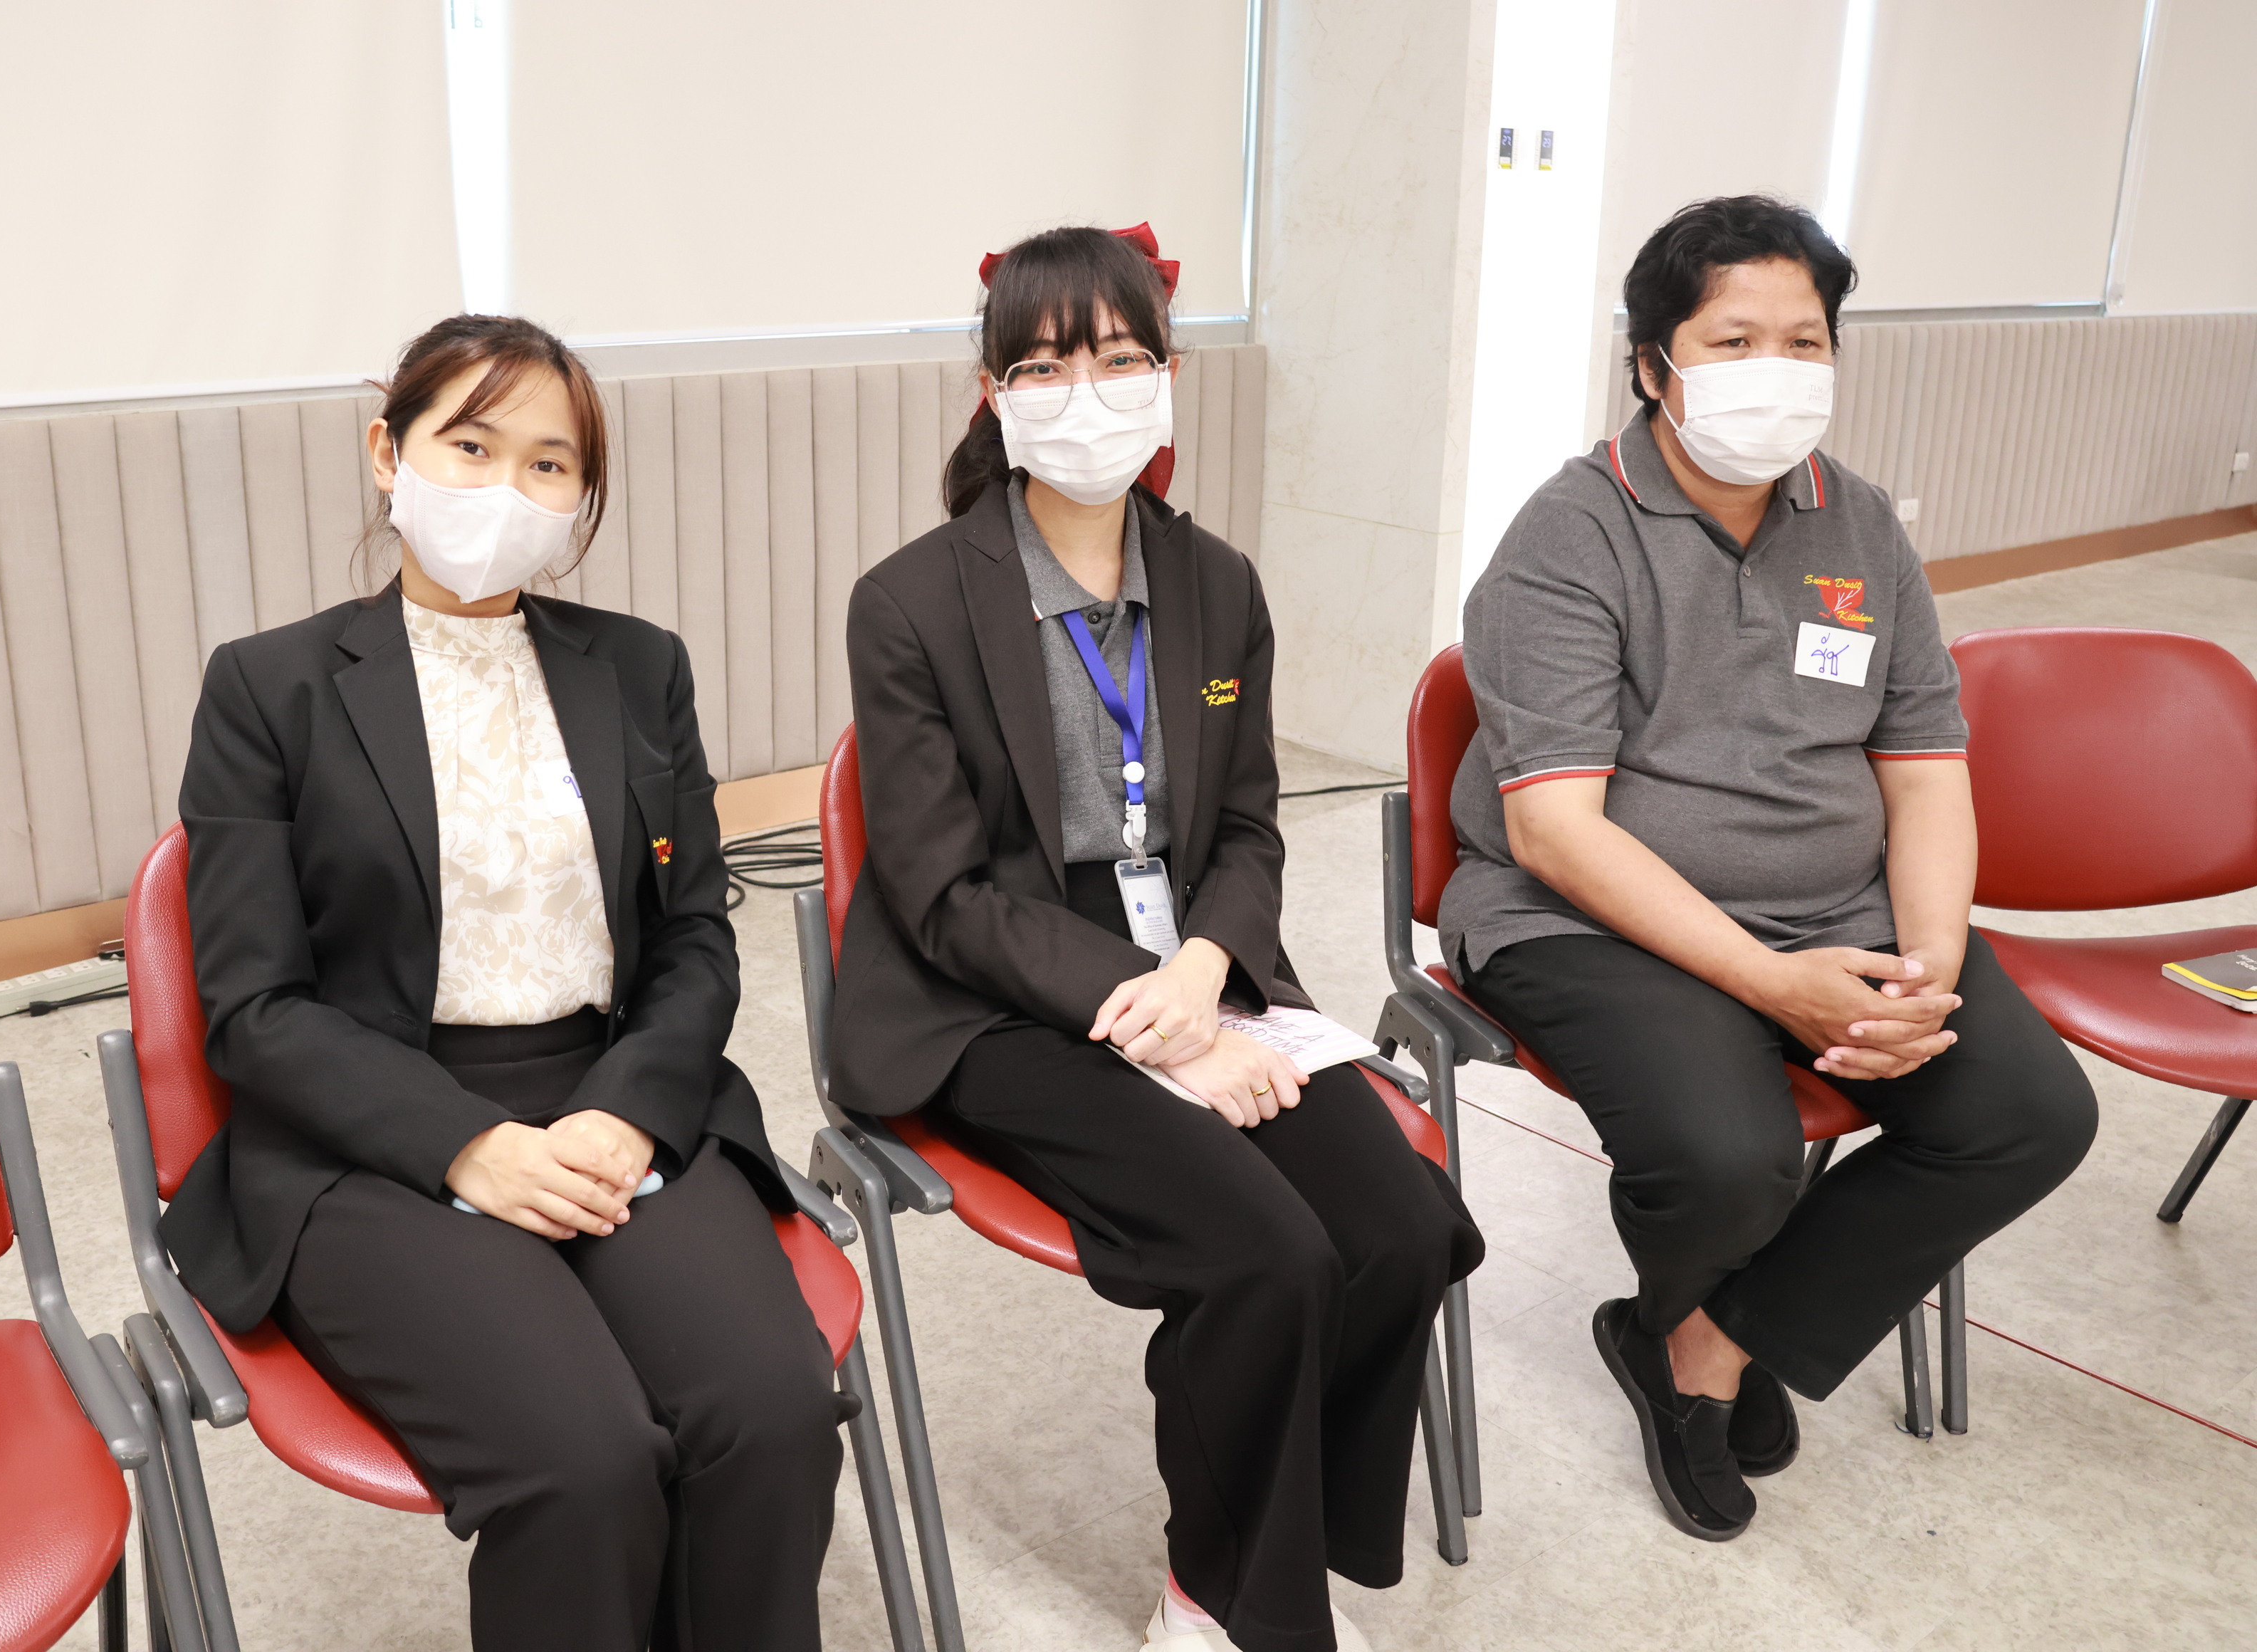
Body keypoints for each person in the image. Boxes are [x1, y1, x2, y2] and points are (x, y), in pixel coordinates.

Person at [835, 224, 1483, 1652]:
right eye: (1046, 366)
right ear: (994, 393)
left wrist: (1201, 976)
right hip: (995, 990)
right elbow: (943, 894)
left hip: (1191, 959)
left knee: (1403, 1229)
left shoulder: (1217, 583)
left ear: (1169, 374)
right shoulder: (912, 602)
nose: (1090, 392)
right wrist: (1160, 1025)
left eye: (1123, 358)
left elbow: (1248, 828)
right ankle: (1225, 1597)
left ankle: (1284, 1547)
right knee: (1267, 1254)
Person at [159, 315, 841, 1649]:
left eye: (548, 464)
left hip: (610, 1091)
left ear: (579, 498)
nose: (505, 490)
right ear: (388, 453)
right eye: (469, 448)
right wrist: (465, 1144)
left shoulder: (639, 666)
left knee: (771, 1415)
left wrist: (629, 1110)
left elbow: (696, 938)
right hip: (372, 1127)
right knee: (583, 1463)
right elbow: (253, 1009)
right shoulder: (268, 688)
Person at [1442, 196, 2098, 1541]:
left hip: (1835, 908)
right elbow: (1558, 829)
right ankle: (1707, 1333)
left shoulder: (1861, 526)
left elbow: (1926, 770)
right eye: (1733, 341)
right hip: (1589, 919)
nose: (1775, 371)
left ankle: (1701, 1341)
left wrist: (1925, 969)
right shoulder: (1569, 535)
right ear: (1652, 365)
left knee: (2029, 1116)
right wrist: (1773, 983)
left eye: (1804, 342)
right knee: (1728, 1157)